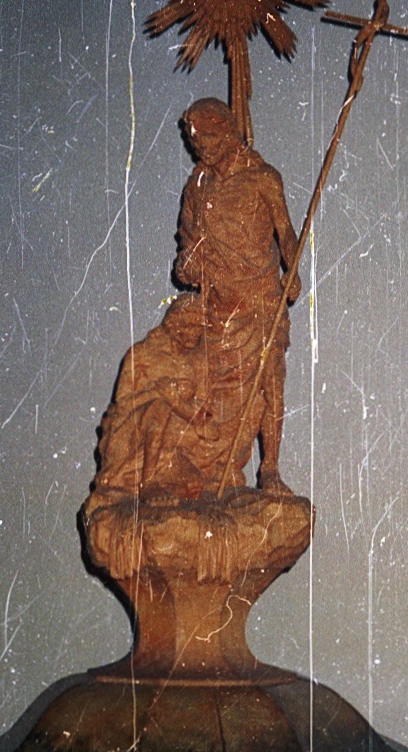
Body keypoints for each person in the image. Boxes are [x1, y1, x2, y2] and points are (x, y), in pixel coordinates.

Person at [90, 97, 301, 503]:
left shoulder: (263, 178)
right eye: (193, 141)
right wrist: (189, 262)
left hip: (259, 297)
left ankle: (269, 467)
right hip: (218, 304)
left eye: (204, 138)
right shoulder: (197, 187)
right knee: (211, 390)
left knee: (269, 381)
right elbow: (186, 250)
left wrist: (293, 271)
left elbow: (285, 232)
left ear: (225, 132)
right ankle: (211, 467)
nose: (198, 147)